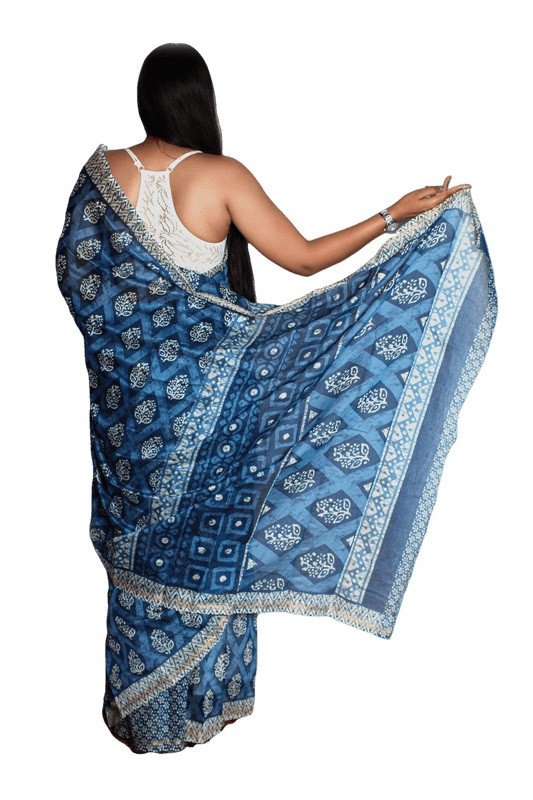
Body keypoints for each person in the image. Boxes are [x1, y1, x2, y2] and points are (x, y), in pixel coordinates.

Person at [55, 42, 489, 755]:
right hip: (214, 411)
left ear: (145, 98)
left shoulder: (100, 177)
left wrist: (143, 361)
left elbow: (79, 283)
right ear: (200, 100)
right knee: (212, 543)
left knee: (146, 560)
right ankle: (200, 710)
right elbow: (304, 257)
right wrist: (392, 216)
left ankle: (143, 717)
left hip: (129, 420)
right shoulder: (219, 176)